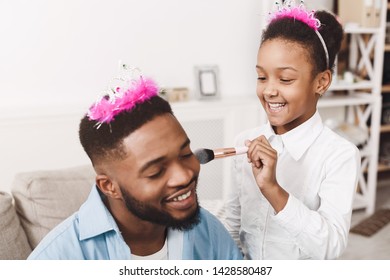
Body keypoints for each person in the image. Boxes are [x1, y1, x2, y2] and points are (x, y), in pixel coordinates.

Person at [28, 72, 243, 260]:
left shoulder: (208, 232)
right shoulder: (58, 259)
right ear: (109, 186)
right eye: (156, 171)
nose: (184, 175)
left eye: (186, 154)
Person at [222, 1, 360, 260]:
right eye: (262, 77)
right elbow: (233, 221)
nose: (269, 90)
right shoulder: (244, 141)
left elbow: (330, 245)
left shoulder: (339, 156)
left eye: (285, 79)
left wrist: (273, 189)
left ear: (321, 81)